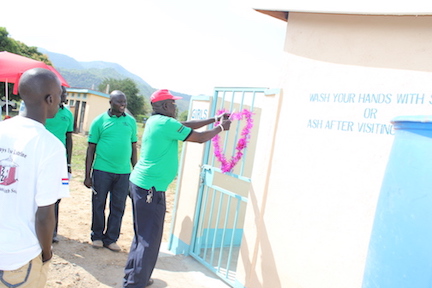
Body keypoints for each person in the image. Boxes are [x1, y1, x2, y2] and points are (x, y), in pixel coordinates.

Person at [123, 89, 231, 287]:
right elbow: (198, 138)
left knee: (142, 236)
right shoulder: (164, 123)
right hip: (150, 189)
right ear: (165, 106)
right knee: (149, 239)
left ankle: (135, 276)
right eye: (173, 103)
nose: (175, 106)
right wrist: (220, 128)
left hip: (145, 186)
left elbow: (185, 126)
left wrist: (214, 119)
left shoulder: (157, 121)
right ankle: (135, 283)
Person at [0, 68, 70, 288]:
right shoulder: (51, 147)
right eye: (59, 95)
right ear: (50, 99)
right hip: (20, 257)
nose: (61, 100)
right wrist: (47, 253)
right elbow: (45, 214)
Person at [84, 90, 137, 252]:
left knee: (119, 206)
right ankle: (97, 236)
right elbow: (90, 149)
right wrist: (87, 175)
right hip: (102, 171)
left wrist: (135, 172)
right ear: (110, 103)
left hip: (123, 173)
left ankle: (111, 239)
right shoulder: (99, 121)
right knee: (99, 204)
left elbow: (134, 147)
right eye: (119, 102)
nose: (122, 105)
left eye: (124, 102)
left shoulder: (131, 122)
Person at [45, 86, 74, 243]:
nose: (64, 96)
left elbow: (69, 139)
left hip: (60, 162)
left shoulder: (68, 114)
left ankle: (52, 232)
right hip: (43, 159)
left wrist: (68, 163)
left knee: (57, 197)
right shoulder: (45, 111)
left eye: (65, 94)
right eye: (61, 93)